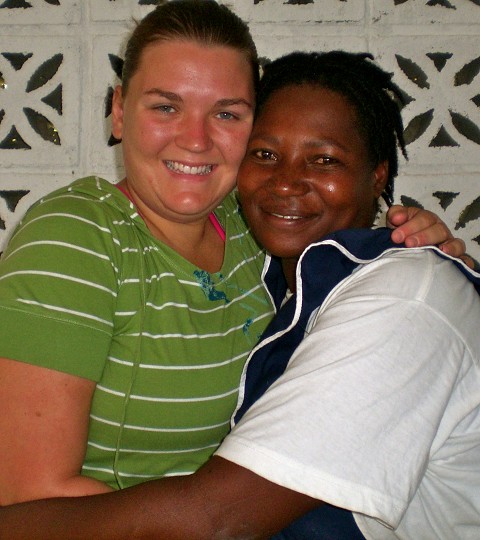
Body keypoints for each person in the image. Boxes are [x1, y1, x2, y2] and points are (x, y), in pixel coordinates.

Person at [0, 0, 468, 510]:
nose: (195, 140)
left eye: (225, 113)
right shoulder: (74, 239)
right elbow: (28, 495)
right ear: (118, 111)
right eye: (166, 107)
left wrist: (411, 240)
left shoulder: (253, 227)